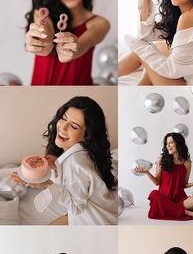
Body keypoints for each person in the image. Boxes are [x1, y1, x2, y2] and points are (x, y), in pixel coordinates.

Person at [11, 96, 117, 225]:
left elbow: (76, 207)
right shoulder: (84, 153)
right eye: (64, 118)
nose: (63, 127)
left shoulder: (75, 162)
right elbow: (75, 185)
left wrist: (46, 184)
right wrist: (57, 167)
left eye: (74, 126)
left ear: (87, 135)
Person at [25, 0, 110, 85]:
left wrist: (74, 49)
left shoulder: (100, 23)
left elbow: (84, 43)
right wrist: (44, 44)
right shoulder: (42, 13)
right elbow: (46, 36)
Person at [135, 133, 193, 220]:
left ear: (178, 143)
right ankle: (189, 213)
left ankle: (172, 208)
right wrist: (147, 172)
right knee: (154, 194)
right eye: (166, 143)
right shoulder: (162, 159)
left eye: (171, 142)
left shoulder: (187, 163)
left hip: (180, 200)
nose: (168, 145)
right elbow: (157, 182)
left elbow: (183, 184)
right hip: (163, 199)